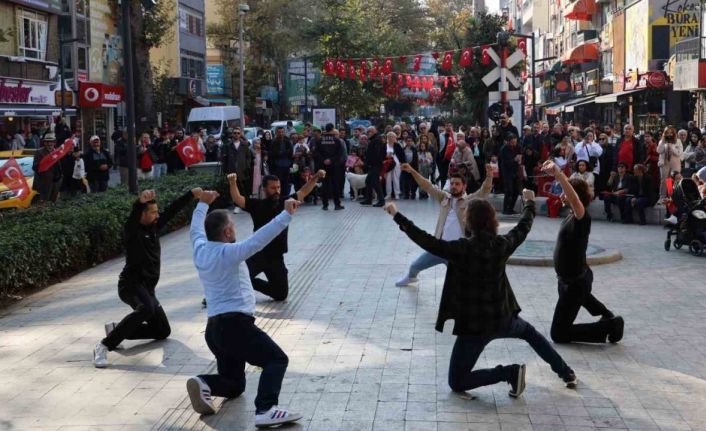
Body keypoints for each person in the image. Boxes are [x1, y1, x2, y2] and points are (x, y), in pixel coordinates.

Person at [383, 192, 577, 396]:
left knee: (457, 382)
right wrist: (529, 203)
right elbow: (523, 227)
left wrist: (397, 215)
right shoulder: (502, 244)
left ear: (469, 222)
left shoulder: (461, 249)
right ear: (492, 221)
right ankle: (567, 373)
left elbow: (426, 241)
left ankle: (509, 373)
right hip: (503, 318)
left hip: (475, 328)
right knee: (531, 334)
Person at [186, 190, 302, 427]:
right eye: (233, 226)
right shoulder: (229, 252)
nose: (235, 230)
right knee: (276, 359)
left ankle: (204, 382)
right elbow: (258, 240)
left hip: (215, 330)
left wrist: (202, 204)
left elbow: (195, 230)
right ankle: (266, 409)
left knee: (235, 384)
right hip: (236, 326)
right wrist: (285, 215)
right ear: (227, 232)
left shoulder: (200, 249)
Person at [94, 188, 203, 368]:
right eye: (153, 212)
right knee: (146, 309)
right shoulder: (132, 232)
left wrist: (191, 194)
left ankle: (117, 329)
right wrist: (139, 203)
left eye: (156, 211)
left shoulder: (153, 228)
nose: (157, 215)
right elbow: (132, 220)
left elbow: (172, 210)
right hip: (130, 285)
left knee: (162, 330)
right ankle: (104, 345)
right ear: (142, 215)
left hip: (147, 288)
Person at [541, 160, 624, 345]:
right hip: (572, 281)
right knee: (583, 297)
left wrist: (558, 174)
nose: (562, 194)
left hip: (574, 284)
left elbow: (574, 197)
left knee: (559, 334)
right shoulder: (572, 214)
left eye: (566, 191)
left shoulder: (582, 217)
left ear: (574, 196)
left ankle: (609, 326)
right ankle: (607, 315)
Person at [228, 170, 325, 301]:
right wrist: (232, 183)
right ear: (264, 189)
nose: (277, 190)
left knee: (281, 294)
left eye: (278, 187)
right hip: (258, 254)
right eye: (273, 188)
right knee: (238, 276)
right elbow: (238, 199)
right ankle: (220, 294)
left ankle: (247, 284)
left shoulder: (286, 202)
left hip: (276, 257)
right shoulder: (257, 205)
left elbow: (304, 191)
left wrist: (316, 177)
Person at [395, 163, 493, 286]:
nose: (454, 186)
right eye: (452, 184)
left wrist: (489, 176)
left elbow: (484, 191)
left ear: (464, 186)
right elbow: (427, 185)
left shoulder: (469, 201)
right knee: (415, 266)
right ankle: (411, 278)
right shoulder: (444, 198)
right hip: (440, 247)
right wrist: (412, 171)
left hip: (458, 252)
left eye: (457, 184)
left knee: (463, 281)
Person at [221, 127, 253, 213]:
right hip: (232, 170)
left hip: (243, 170)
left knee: (244, 188)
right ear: (232, 134)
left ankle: (245, 205)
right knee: (235, 188)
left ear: (240, 135)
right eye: (235, 133)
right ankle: (237, 206)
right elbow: (224, 159)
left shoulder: (244, 145)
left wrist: (247, 166)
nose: (236, 134)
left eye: (238, 133)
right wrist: (225, 170)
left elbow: (249, 157)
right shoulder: (228, 146)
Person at [313, 123, 344, 210]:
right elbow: (340, 153)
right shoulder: (337, 140)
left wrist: (324, 160)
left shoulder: (319, 140)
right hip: (334, 166)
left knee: (325, 185)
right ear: (333, 129)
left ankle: (325, 205)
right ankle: (337, 204)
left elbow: (316, 153)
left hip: (323, 166)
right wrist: (331, 160)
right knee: (335, 185)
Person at [32, 132, 62, 203]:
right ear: (44, 143)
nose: (49, 144)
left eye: (51, 142)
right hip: (44, 184)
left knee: (53, 203)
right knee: (44, 204)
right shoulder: (39, 152)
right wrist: (44, 162)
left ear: (54, 142)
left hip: (55, 183)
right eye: (47, 142)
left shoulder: (57, 152)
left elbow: (59, 167)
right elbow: (35, 167)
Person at [360, 126, 386, 207]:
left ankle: (381, 200)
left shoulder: (377, 140)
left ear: (374, 131)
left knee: (375, 182)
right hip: (374, 164)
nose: (368, 133)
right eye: (367, 132)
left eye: (369, 132)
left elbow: (376, 153)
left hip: (376, 164)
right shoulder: (374, 139)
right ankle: (369, 199)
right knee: (368, 181)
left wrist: (370, 162)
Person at [657, 126, 682, 200]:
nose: (669, 134)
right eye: (667, 132)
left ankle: (673, 196)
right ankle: (663, 196)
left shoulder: (678, 141)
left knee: (674, 180)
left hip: (675, 163)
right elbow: (659, 151)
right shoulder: (662, 141)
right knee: (664, 180)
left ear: (674, 133)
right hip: (664, 162)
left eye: (671, 132)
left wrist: (672, 147)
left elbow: (679, 153)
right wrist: (662, 141)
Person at [500, 134, 522, 215]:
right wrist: (514, 159)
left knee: (516, 191)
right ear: (508, 142)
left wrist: (519, 159)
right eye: (512, 142)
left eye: (515, 142)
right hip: (507, 171)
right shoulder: (504, 149)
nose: (514, 144)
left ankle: (511, 208)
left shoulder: (518, 147)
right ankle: (505, 209)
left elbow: (520, 155)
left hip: (515, 170)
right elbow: (505, 162)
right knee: (509, 190)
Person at [269, 127, 294, 196]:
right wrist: (281, 153)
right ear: (277, 133)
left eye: (282, 132)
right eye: (279, 132)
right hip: (277, 165)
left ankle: (285, 196)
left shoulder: (288, 141)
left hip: (287, 165)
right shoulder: (274, 142)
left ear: (284, 132)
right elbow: (273, 153)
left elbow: (290, 152)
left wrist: (282, 153)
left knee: (286, 183)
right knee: (278, 182)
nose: (281, 134)